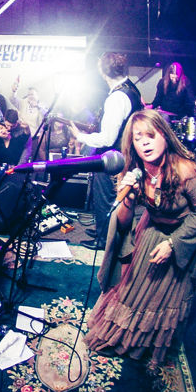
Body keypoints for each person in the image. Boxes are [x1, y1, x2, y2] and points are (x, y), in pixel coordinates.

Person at [85, 109, 196, 372]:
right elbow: (122, 223)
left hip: (181, 236)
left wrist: (174, 244)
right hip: (151, 230)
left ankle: (152, 345)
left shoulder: (187, 171)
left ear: (165, 136)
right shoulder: (134, 171)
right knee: (131, 292)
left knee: (162, 299)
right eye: (137, 137)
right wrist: (127, 200)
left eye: (150, 136)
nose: (144, 142)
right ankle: (130, 339)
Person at [67, 52, 144, 250]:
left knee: (105, 196)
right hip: (126, 153)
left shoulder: (117, 97)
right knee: (111, 197)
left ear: (103, 72)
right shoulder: (131, 88)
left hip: (114, 156)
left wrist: (80, 136)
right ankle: (102, 228)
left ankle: (103, 240)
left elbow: (108, 138)